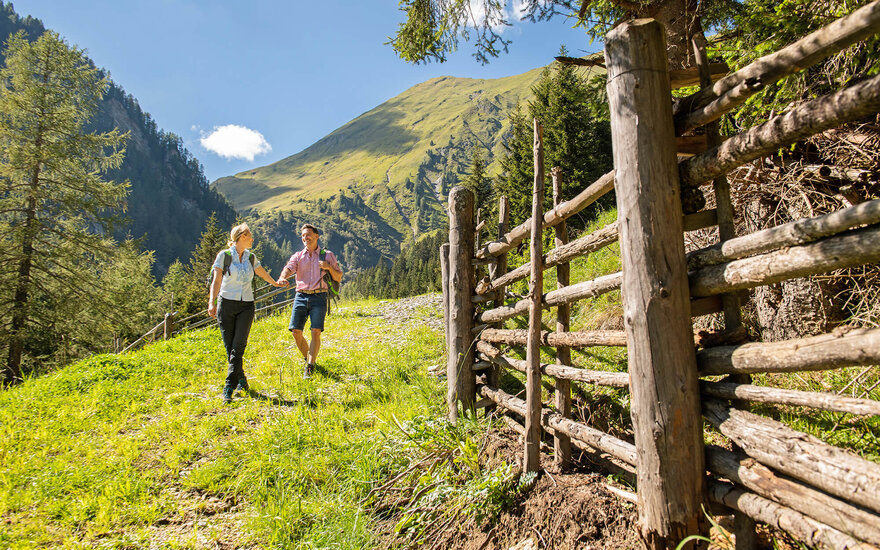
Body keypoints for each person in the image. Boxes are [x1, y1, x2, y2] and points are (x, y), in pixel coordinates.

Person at [208, 223, 284, 403]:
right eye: (250, 236)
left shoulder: (251, 258)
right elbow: (216, 281)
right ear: (241, 237)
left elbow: (262, 273)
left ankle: (228, 386)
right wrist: (212, 302)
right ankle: (242, 380)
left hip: (246, 306)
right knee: (230, 348)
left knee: (238, 346)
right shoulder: (224, 256)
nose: (252, 239)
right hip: (226, 304)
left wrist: (275, 283)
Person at [277, 223, 343, 379]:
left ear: (316, 236)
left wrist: (328, 267)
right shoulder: (298, 256)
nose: (305, 238)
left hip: (319, 296)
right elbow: (289, 267)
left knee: (315, 331)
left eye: (308, 235)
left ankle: (310, 366)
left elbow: (338, 276)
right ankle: (308, 359)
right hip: (301, 295)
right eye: (303, 236)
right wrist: (282, 277)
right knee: (295, 332)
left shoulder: (328, 255)